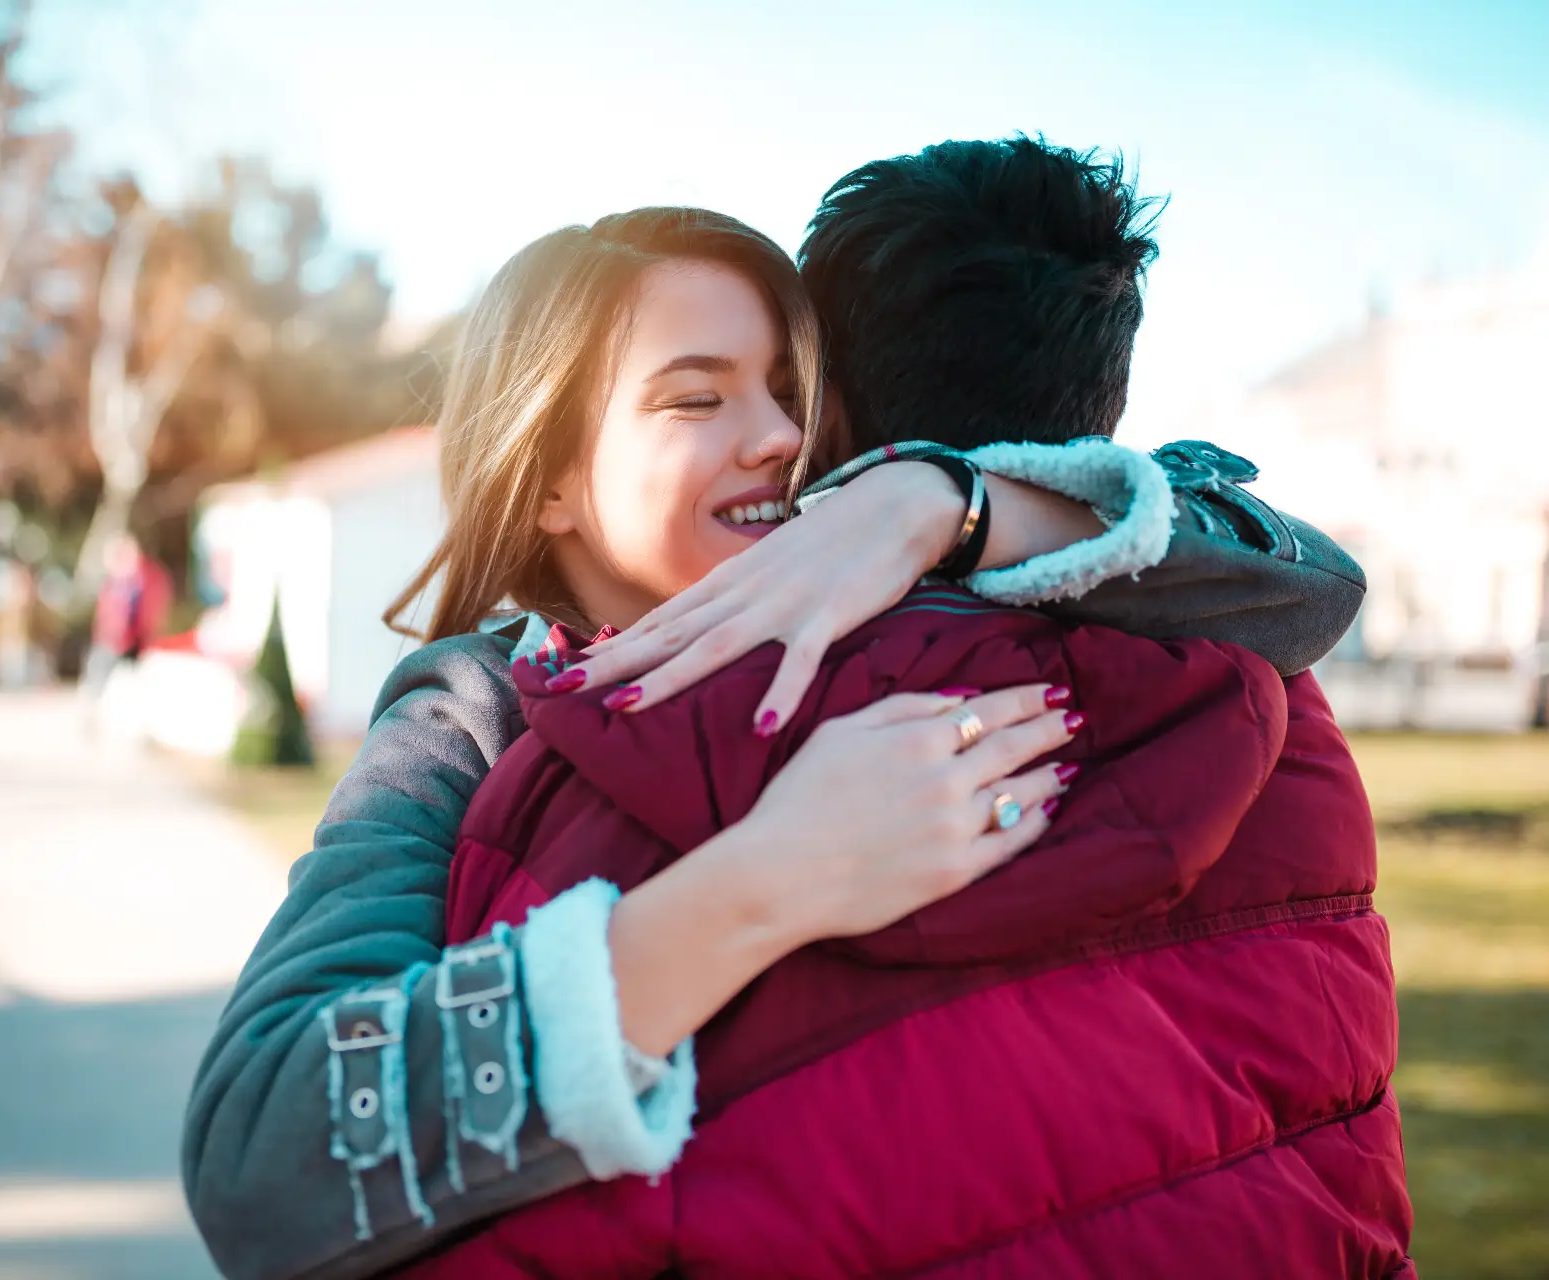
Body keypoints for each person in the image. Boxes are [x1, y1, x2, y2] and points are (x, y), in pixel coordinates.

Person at [181, 203, 1367, 1280]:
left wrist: (944, 502)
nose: (778, 439)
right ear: (549, 478)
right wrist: (770, 879)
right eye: (699, 398)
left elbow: (1307, 586)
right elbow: (263, 1153)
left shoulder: (905, 590)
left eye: (787, 390)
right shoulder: (469, 711)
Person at [80, 529, 173, 720]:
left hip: (139, 638)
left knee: (139, 678)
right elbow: (107, 611)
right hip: (113, 639)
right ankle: (93, 709)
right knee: (100, 672)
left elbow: (154, 607)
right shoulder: (116, 580)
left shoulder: (147, 576)